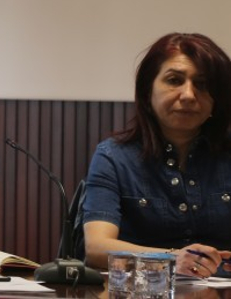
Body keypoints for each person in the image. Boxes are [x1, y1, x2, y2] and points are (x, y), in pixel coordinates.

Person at [82, 32, 231, 277]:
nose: (188, 95)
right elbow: (97, 248)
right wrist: (172, 259)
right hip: (143, 289)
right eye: (174, 80)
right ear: (147, 92)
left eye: (202, 85)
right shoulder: (113, 157)